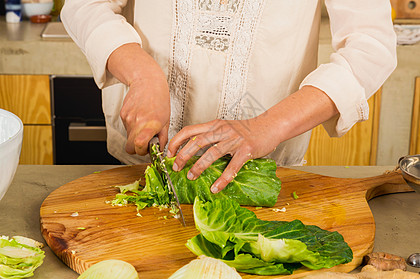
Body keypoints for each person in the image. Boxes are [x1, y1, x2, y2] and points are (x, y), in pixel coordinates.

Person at [61, 0, 397, 193]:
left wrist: (267, 126)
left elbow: (371, 46)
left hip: (259, 176)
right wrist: (141, 73)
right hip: (142, 166)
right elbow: (84, 5)